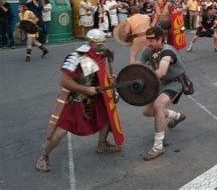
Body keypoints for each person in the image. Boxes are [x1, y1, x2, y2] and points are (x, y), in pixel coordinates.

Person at [35, 29, 121, 172]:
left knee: (107, 117)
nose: (104, 44)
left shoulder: (100, 53)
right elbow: (64, 81)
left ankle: (102, 144)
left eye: (104, 41)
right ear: (92, 42)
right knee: (61, 131)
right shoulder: (76, 57)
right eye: (101, 42)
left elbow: (100, 72)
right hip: (77, 99)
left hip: (97, 96)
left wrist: (109, 80)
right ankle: (43, 157)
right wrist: (86, 89)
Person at [136, 27, 188, 161]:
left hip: (174, 82)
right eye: (148, 40)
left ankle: (158, 146)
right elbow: (137, 67)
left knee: (158, 106)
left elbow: (162, 71)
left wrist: (146, 80)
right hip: (159, 82)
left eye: (152, 40)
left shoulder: (167, 52)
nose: (149, 43)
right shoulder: (147, 51)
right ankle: (177, 116)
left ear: (161, 39)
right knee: (147, 111)